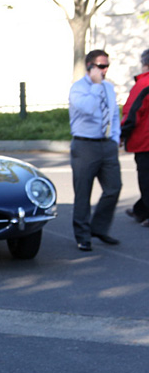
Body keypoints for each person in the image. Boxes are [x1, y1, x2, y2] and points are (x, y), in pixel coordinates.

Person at [68, 49, 122, 251]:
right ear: (89, 66)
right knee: (83, 192)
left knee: (114, 188)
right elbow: (88, 108)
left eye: (107, 66)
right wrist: (96, 86)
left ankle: (98, 227)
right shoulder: (78, 88)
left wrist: (115, 138)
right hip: (85, 145)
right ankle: (83, 236)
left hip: (106, 144)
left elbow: (114, 114)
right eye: (101, 66)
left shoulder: (108, 87)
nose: (105, 70)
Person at [120, 48, 149, 228]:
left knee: (146, 178)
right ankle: (141, 209)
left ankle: (145, 210)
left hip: (145, 141)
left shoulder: (143, 84)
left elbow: (133, 112)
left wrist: (122, 134)